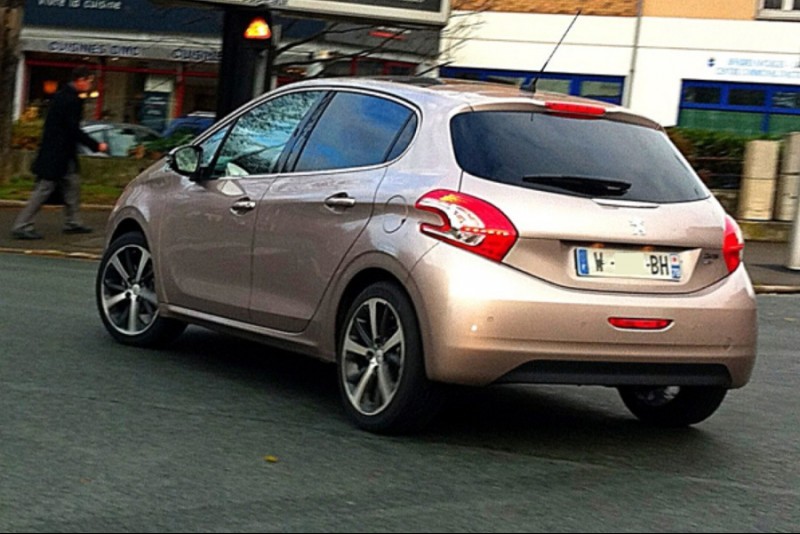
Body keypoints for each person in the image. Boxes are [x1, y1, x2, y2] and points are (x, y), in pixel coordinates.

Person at [11, 66, 108, 240]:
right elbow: (72, 129)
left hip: (61, 153)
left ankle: (73, 221)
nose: (90, 85)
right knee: (44, 189)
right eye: (89, 81)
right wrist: (95, 145)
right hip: (57, 154)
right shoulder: (69, 100)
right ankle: (22, 224)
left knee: (72, 185)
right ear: (80, 80)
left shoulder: (65, 97)